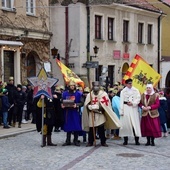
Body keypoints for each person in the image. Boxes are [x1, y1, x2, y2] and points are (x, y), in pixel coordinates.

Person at [82, 81, 121, 147]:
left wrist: (98, 107)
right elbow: (86, 104)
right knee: (91, 129)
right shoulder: (90, 95)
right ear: (93, 87)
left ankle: (103, 142)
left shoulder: (103, 94)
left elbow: (106, 104)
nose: (96, 87)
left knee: (101, 129)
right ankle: (90, 142)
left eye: (97, 86)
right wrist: (89, 106)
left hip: (100, 114)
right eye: (95, 86)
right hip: (92, 114)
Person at [119, 78, 141, 145]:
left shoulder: (136, 90)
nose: (130, 85)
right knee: (126, 124)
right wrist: (121, 111)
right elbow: (121, 101)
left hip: (133, 108)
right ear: (126, 84)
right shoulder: (123, 91)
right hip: (126, 108)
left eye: (131, 83)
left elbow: (138, 98)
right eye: (129, 83)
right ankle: (125, 140)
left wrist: (133, 103)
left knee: (135, 124)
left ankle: (137, 140)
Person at [61, 81, 83, 146]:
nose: (72, 87)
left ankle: (75, 140)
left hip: (75, 112)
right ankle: (68, 140)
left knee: (75, 125)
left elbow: (82, 102)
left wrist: (76, 105)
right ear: (69, 86)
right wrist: (62, 105)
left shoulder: (78, 94)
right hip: (67, 112)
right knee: (68, 126)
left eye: (73, 86)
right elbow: (62, 101)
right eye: (71, 86)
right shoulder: (64, 94)